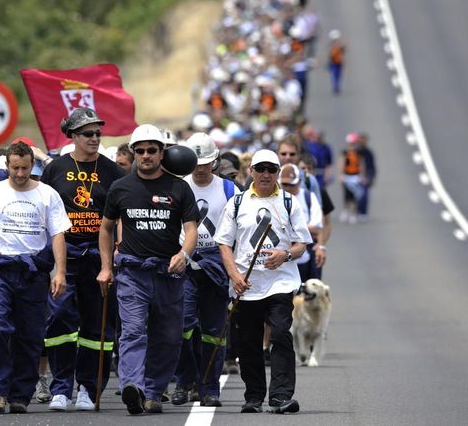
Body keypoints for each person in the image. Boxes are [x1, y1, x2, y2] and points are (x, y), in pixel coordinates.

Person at [97, 124, 199, 415]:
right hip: (132, 274)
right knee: (132, 331)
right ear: (133, 153)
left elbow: (191, 228)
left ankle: (153, 391)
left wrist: (184, 253)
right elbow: (105, 230)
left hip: (169, 274)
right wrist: (106, 267)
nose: (145, 155)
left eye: (151, 150)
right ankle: (133, 386)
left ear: (161, 152)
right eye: (139, 151)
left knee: (168, 337)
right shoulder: (120, 188)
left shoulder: (179, 187)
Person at [0, 141, 72, 414]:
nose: (21, 173)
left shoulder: (48, 195)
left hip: (33, 273)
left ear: (31, 166)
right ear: (7, 166)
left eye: (25, 168)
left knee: (30, 335)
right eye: (15, 168)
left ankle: (20, 395)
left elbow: (58, 235)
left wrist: (59, 272)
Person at [40, 107, 125, 411]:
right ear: (73, 136)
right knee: (58, 319)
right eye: (88, 134)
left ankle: (89, 389)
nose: (94, 138)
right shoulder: (55, 169)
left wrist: (117, 249)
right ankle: (61, 388)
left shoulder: (114, 171)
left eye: (98, 133)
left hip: (99, 256)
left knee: (98, 327)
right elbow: (45, 212)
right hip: (64, 256)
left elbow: (121, 214)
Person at [215, 149, 311, 414]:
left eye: (271, 169)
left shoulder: (289, 202)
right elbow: (223, 242)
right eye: (261, 169)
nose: (266, 174)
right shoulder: (237, 203)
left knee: (280, 333)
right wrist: (234, 275)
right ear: (251, 172)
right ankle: (254, 396)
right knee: (249, 341)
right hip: (247, 285)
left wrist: (286, 254)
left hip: (281, 282)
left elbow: (302, 243)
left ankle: (280, 396)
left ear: (278, 173)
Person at [172, 133, 239, 407]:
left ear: (215, 162)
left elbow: (240, 233)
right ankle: (185, 380)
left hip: (217, 264)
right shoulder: (177, 187)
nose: (200, 168)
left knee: (214, 330)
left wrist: (236, 271)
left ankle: (209, 387)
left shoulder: (230, 190)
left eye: (206, 162)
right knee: (181, 327)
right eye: (196, 163)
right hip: (183, 264)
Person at [278, 163, 322, 283]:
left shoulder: (308, 197)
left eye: (291, 184)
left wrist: (290, 229)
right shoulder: (275, 199)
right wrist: (301, 230)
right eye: (284, 184)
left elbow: (317, 228)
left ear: (298, 182)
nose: (287, 188)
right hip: (281, 258)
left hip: (304, 256)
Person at [356, 133, 376, 222]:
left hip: (367, 175)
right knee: (355, 194)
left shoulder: (369, 153)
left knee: (364, 194)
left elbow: (372, 166)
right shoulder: (356, 152)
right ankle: (356, 210)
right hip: (355, 174)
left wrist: (371, 177)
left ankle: (363, 212)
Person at [328, 29, 346, 94]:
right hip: (333, 62)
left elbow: (343, 50)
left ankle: (337, 86)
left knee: (338, 75)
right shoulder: (332, 46)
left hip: (339, 62)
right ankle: (335, 87)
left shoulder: (339, 45)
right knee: (334, 75)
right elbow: (331, 54)